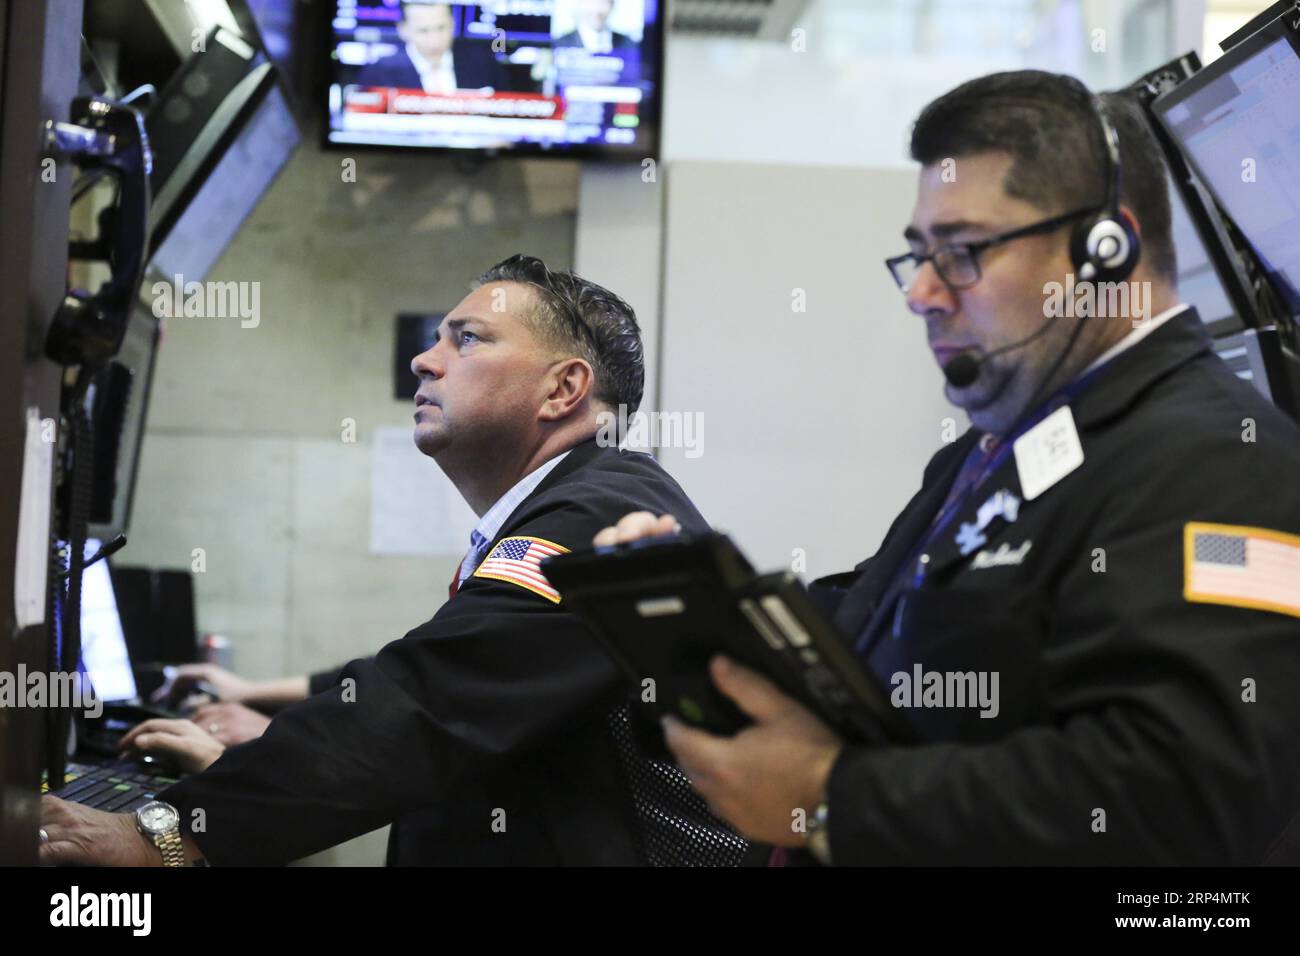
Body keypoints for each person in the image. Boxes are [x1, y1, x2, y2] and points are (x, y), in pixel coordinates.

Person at [596, 71, 1300, 865]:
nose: (922, 293)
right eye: (920, 255)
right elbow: (878, 635)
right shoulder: (985, 454)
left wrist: (832, 799)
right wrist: (700, 623)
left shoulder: (1225, 461)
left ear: (1109, 251)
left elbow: (1182, 794)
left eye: (962, 252)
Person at [40, 255, 747, 867]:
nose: (425, 358)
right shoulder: (585, 499)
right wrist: (268, 753)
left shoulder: (598, 516)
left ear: (563, 390)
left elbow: (425, 702)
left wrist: (166, 834)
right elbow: (445, 679)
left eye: (467, 340)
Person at [354, 2, 501, 93]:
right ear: (403, 30)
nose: (434, 41)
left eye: (441, 28)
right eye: (423, 31)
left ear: (453, 23)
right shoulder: (379, 72)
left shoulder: (483, 64)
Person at [553, 0, 637, 52]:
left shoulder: (630, 46)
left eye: (603, 2)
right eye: (590, 1)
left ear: (612, 5)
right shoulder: (558, 45)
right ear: (580, 4)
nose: (596, 10)